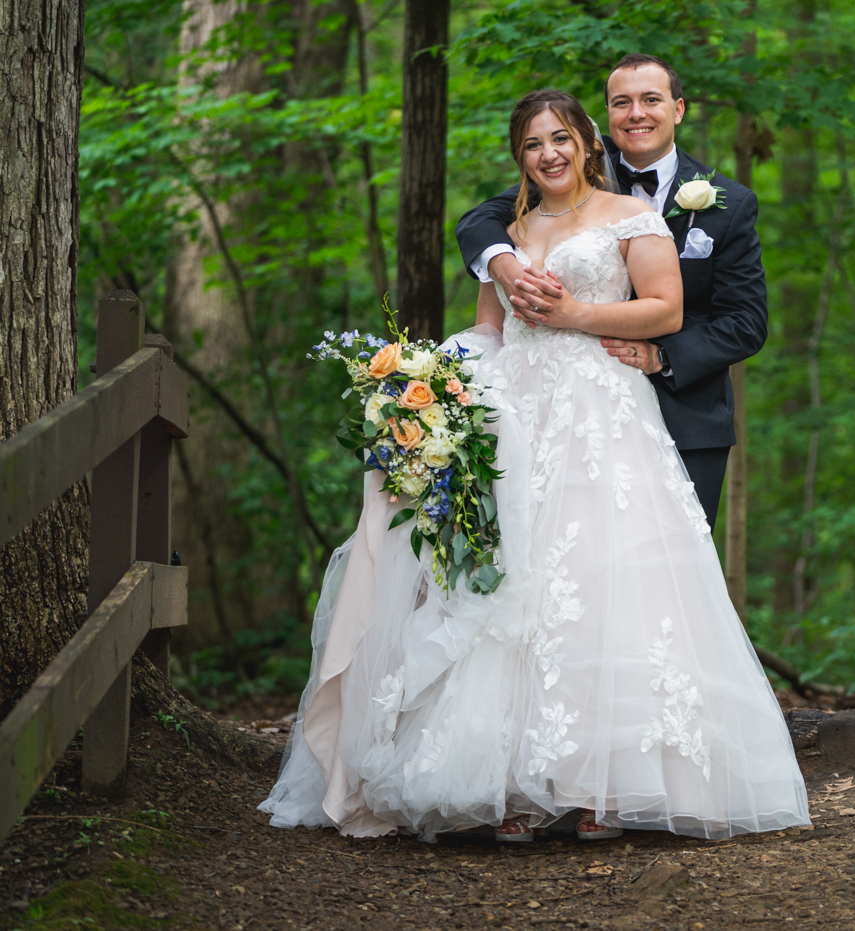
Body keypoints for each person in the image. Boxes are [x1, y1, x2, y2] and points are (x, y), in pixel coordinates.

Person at [259, 89, 810, 844]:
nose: (548, 153)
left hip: (603, 412)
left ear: (587, 142)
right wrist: (429, 387)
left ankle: (602, 787)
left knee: (604, 581)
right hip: (518, 420)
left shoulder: (631, 218)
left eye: (561, 138)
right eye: (532, 144)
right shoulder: (508, 235)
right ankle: (514, 780)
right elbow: (491, 328)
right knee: (515, 589)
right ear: (520, 156)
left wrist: (577, 316)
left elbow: (667, 310)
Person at [454, 53, 764, 531]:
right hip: (560, 410)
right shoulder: (564, 170)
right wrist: (504, 265)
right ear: (604, 118)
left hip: (688, 415)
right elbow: (480, 221)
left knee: (665, 573)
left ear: (678, 109)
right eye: (622, 103)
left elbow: (746, 323)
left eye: (651, 100)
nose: (636, 113)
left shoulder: (729, 203)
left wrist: (662, 356)